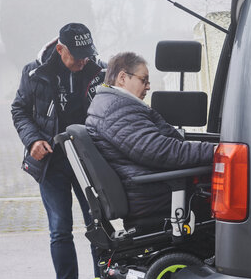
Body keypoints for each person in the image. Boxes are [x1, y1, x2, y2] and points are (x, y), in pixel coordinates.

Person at [11, 22, 105, 279]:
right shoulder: (34, 72)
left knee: (99, 227)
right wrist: (32, 141)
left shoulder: (99, 71)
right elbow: (19, 110)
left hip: (88, 161)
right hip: (52, 162)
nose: (83, 61)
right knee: (60, 228)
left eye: (87, 54)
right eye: (76, 56)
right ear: (60, 49)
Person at [85, 52, 215, 217]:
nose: (148, 86)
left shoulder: (113, 105)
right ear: (123, 78)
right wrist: (215, 151)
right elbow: (160, 151)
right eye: (143, 80)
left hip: (151, 189)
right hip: (155, 195)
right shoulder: (117, 110)